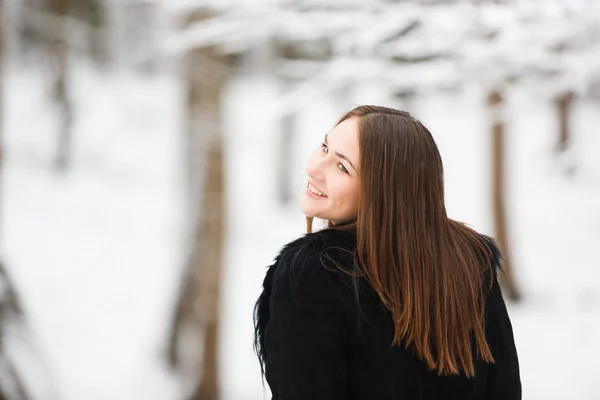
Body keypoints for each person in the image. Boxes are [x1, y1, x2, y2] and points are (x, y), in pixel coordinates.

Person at [253, 105, 521, 399]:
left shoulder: (315, 274)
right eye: (324, 147)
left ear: (381, 192)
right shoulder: (470, 259)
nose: (313, 169)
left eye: (342, 166)